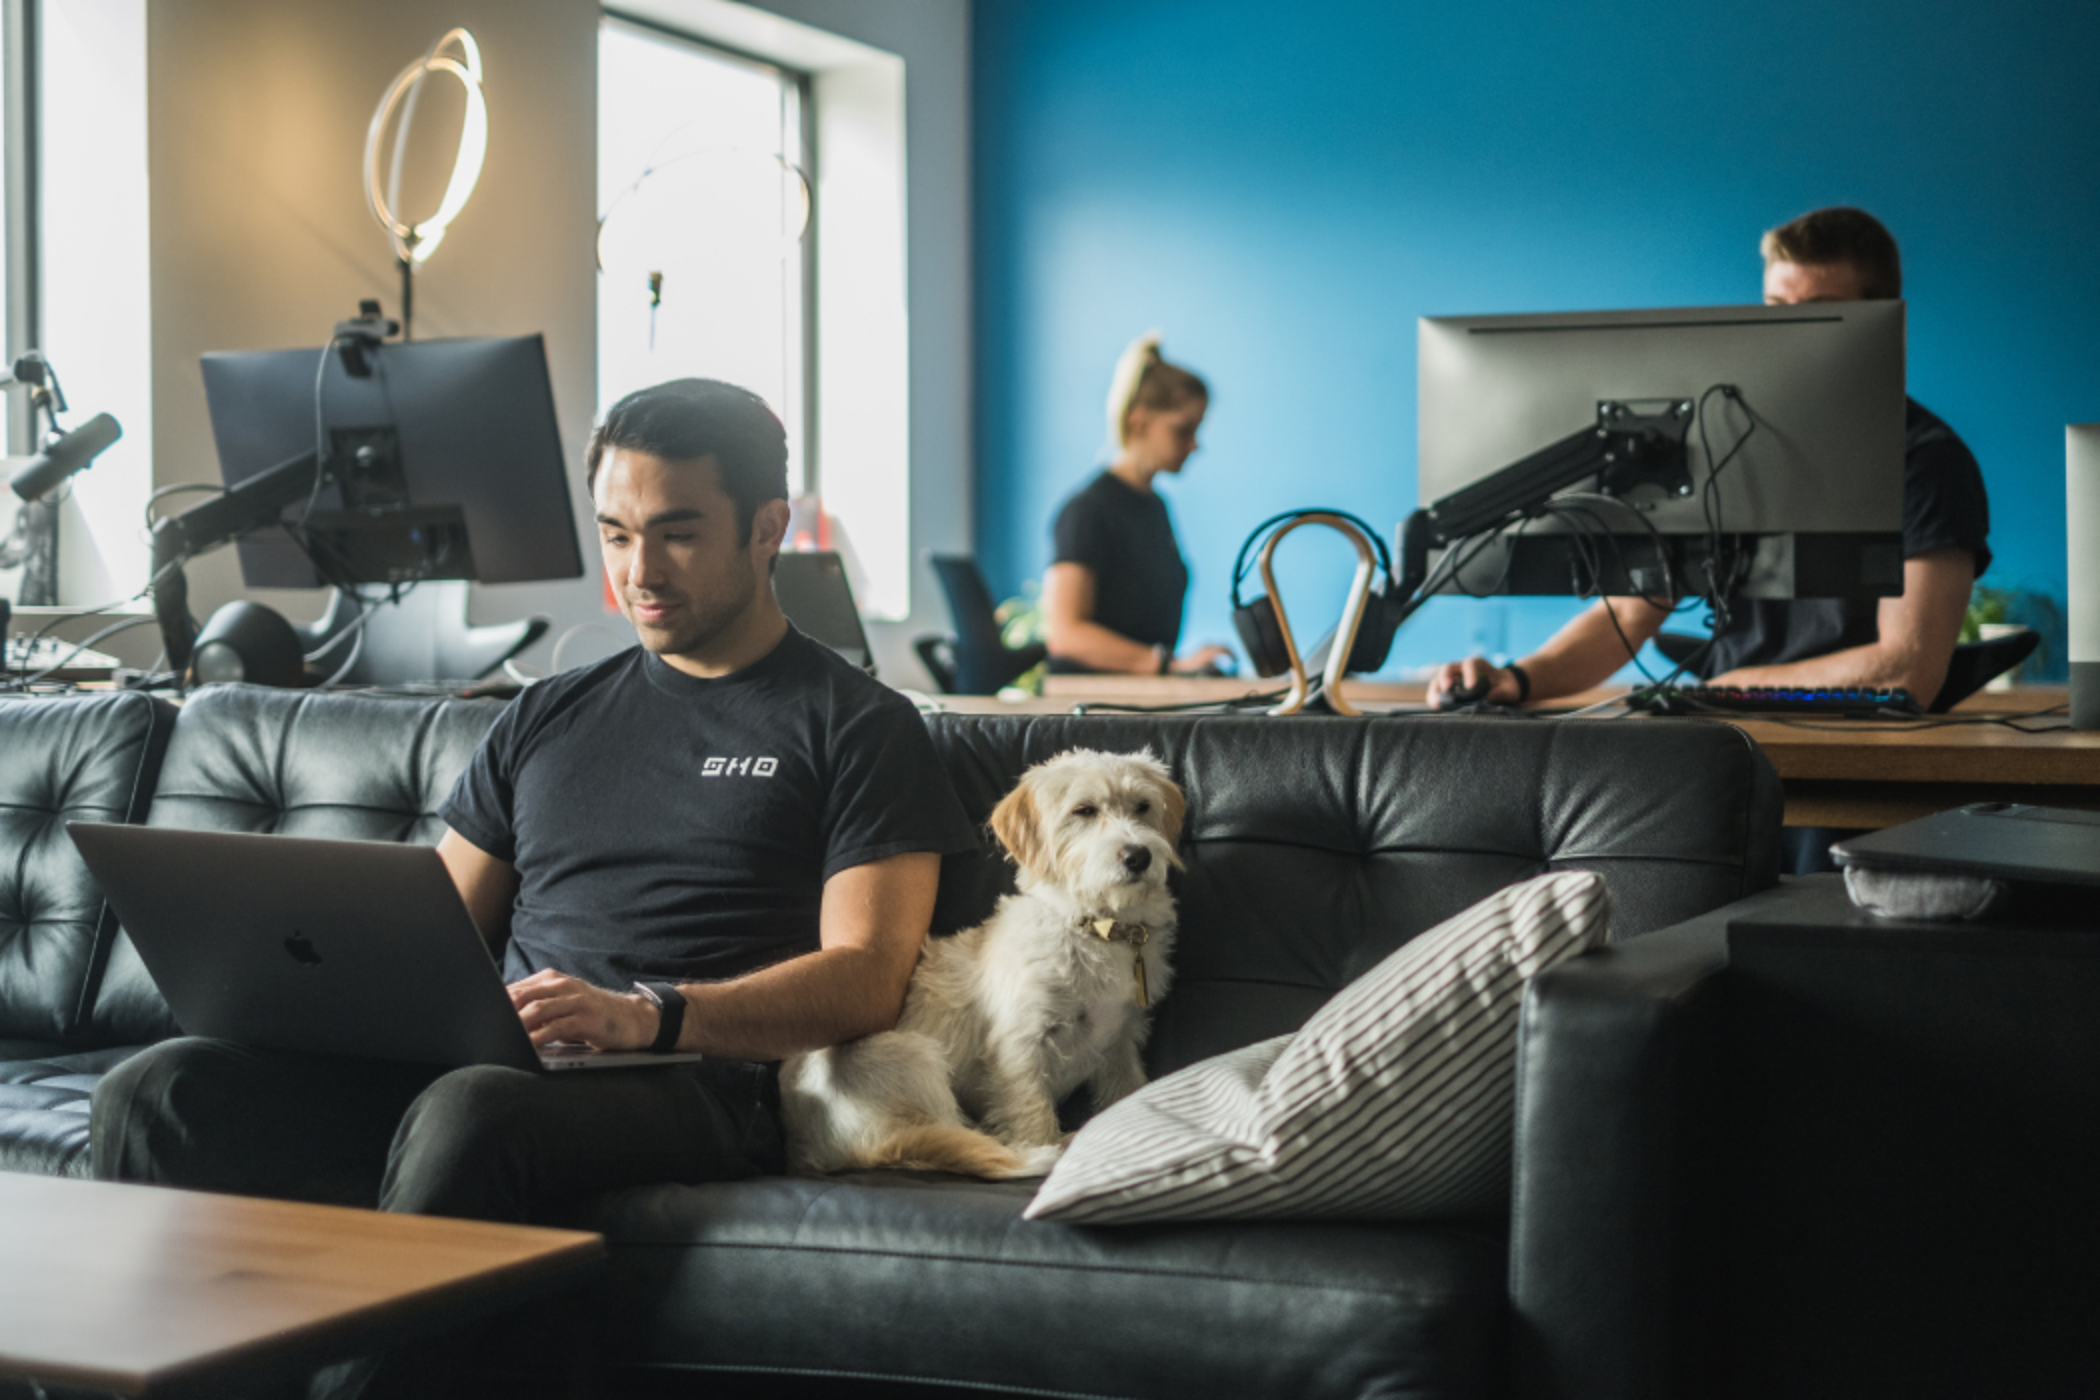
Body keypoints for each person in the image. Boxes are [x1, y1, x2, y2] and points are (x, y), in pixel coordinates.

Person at [90, 378, 980, 1396]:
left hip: (697, 1078)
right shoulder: (545, 717)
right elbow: (427, 925)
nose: (639, 571)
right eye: (616, 533)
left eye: (678, 534)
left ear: (768, 527)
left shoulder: (856, 724)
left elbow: (866, 975)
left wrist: (650, 1016)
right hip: (506, 1054)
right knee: (162, 1088)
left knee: (476, 1110)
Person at [1427, 206, 1990, 716]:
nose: (1788, 334)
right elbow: (1628, 617)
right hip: (1725, 740)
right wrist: (1518, 679)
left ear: (1885, 325)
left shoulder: (1926, 463)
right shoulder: (1718, 450)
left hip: (1850, 746)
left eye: (1820, 315)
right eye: (1775, 310)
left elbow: (1907, 668)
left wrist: (1731, 687)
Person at [1043, 333, 1234, 675]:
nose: (1194, 445)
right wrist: (1165, 664)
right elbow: (1065, 634)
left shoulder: (1155, 507)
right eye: (1182, 430)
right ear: (1139, 421)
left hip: (1140, 698)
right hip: (1091, 710)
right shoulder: (1087, 512)